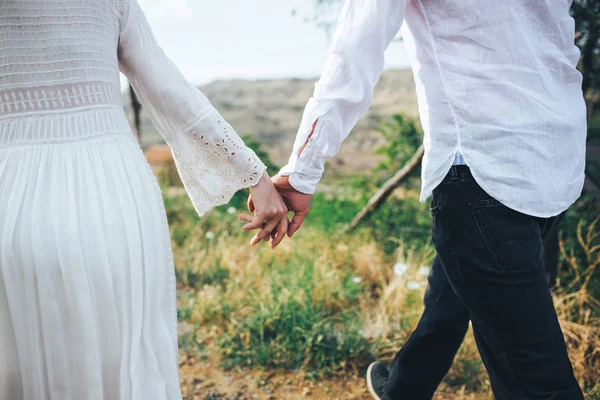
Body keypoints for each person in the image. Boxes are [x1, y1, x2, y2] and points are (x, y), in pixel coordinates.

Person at [268, 0, 587, 399]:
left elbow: (354, 53)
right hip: (554, 158)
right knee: (452, 294)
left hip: (484, 168)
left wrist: (301, 170)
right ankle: (403, 390)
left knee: (539, 381)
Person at [0, 0, 288, 399]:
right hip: (109, 192)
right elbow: (168, 88)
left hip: (9, 191)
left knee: (17, 348)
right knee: (122, 343)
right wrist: (254, 176)